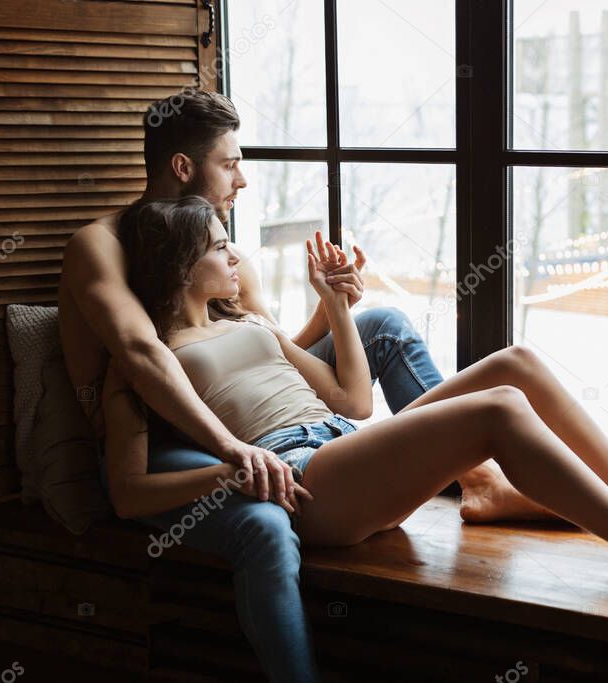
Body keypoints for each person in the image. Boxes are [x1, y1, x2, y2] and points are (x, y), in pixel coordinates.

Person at [104, 197, 608, 630]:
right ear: (181, 263)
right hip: (309, 479)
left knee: (518, 362)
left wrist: (335, 302)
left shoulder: (249, 320)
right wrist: (230, 471)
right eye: (220, 246)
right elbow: (130, 488)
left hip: (343, 443)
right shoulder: (154, 358)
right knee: (500, 408)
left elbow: (353, 402)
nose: (234, 255)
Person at [58, 90, 444, 683]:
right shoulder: (103, 244)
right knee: (264, 524)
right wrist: (233, 450)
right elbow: (142, 355)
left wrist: (333, 303)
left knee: (383, 328)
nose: (242, 181)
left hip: (237, 410)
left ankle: (476, 477)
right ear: (184, 168)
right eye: (230, 163)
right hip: (156, 433)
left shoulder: (223, 248)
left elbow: (264, 351)